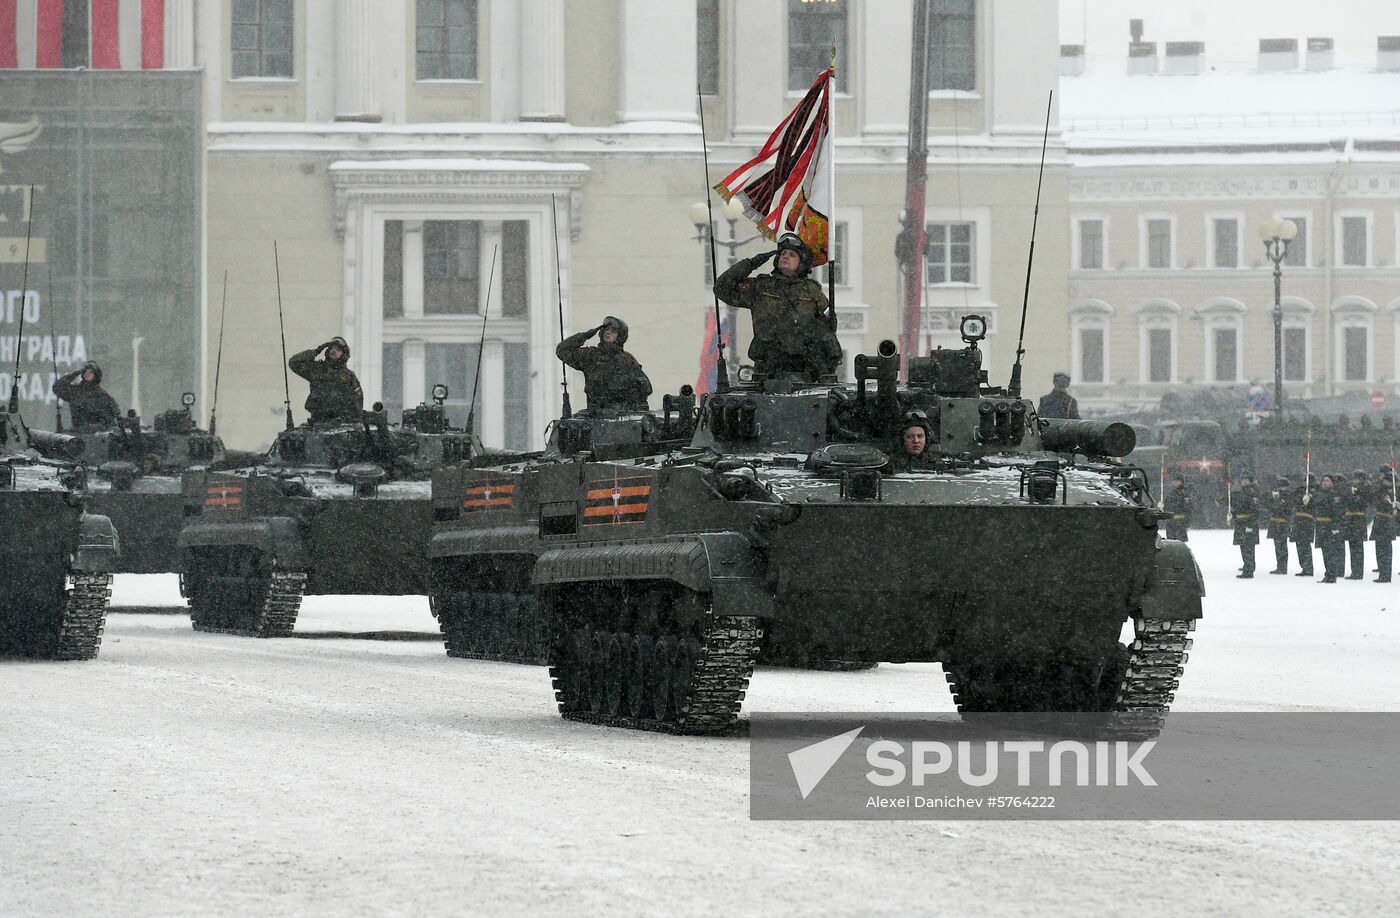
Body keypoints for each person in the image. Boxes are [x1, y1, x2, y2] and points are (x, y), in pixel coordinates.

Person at [713, 232, 841, 381]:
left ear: (802, 262)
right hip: (768, 365)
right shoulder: (762, 286)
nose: (785, 256)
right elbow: (722, 288)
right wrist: (752, 263)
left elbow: (828, 329)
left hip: (806, 368)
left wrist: (829, 319)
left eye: (792, 255)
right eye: (783, 253)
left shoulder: (812, 291)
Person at [555, 315, 652, 412]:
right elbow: (562, 350)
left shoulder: (627, 359)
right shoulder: (590, 356)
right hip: (595, 414)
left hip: (621, 413)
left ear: (620, 337)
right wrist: (585, 335)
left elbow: (644, 388)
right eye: (606, 329)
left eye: (613, 331)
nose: (608, 332)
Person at [289, 336, 364, 424]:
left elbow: (358, 401)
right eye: (332, 348)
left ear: (344, 355)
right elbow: (294, 362)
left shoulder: (348, 376)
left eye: (338, 350)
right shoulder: (317, 370)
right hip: (318, 421)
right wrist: (316, 351)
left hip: (341, 422)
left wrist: (353, 420)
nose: (334, 351)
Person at [53, 362, 120, 430]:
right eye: (85, 371)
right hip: (78, 431)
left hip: (97, 433)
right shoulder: (76, 392)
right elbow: (57, 387)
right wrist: (74, 374)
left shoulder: (102, 395)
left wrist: (99, 426)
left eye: (91, 372)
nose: (87, 373)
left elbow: (114, 414)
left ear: (96, 375)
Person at [1311, 474, 1344, 584]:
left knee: (1331, 552)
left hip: (1329, 525)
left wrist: (1335, 526)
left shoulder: (1334, 495)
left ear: (1332, 483)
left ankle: (1332, 575)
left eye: (1327, 480)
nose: (1324, 482)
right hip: (1321, 525)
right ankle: (1328, 574)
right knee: (1325, 552)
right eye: (1323, 480)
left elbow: (1337, 512)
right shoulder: (1319, 494)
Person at [1341, 469, 1370, 580]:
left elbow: (1363, 503)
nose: (1354, 481)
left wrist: (1357, 493)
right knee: (1352, 547)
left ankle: (1358, 572)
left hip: (1358, 520)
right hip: (1350, 520)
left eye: (1357, 479)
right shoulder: (1349, 490)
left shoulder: (1365, 490)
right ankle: (1355, 570)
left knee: (1358, 548)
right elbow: (1345, 502)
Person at [1231, 472, 1260, 578]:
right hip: (1240, 523)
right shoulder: (1242, 492)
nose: (1244, 481)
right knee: (1243, 546)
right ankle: (1247, 566)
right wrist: (1233, 514)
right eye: (1243, 479)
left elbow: (1254, 510)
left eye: (1246, 479)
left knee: (1248, 547)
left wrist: (1250, 525)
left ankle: (1249, 569)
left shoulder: (1252, 492)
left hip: (1248, 522)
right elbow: (1238, 507)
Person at [1371, 468, 1397, 583]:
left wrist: (1396, 505)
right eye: (1385, 480)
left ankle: (1386, 574)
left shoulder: (1395, 492)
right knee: (1379, 549)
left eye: (1388, 481)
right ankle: (1382, 572)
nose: (1386, 482)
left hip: (1388, 521)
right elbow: (1374, 501)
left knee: (1386, 549)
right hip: (1379, 520)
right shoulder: (1380, 490)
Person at [1265, 475, 1292, 575]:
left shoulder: (1288, 496)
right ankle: (1280, 566)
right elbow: (1268, 505)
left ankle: (1282, 567)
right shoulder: (1275, 495)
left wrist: (1277, 503)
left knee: (1282, 546)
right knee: (1278, 546)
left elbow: (1284, 509)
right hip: (1275, 522)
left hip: (1283, 523)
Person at [1290, 475, 1316, 578]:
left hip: (1307, 521)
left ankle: (1308, 567)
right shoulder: (1300, 490)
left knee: (1305, 545)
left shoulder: (1315, 491)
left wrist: (1311, 497)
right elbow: (1293, 500)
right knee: (1299, 545)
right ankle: (1304, 566)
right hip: (1298, 520)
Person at [1163, 471, 1191, 541]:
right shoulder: (1171, 493)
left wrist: (1186, 522)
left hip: (1180, 523)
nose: (1175, 482)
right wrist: (1162, 506)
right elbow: (1166, 506)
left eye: (1177, 480)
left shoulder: (1184, 493)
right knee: (1170, 543)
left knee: (1179, 544)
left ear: (1182, 482)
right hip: (1170, 524)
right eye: (1174, 480)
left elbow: (1187, 509)